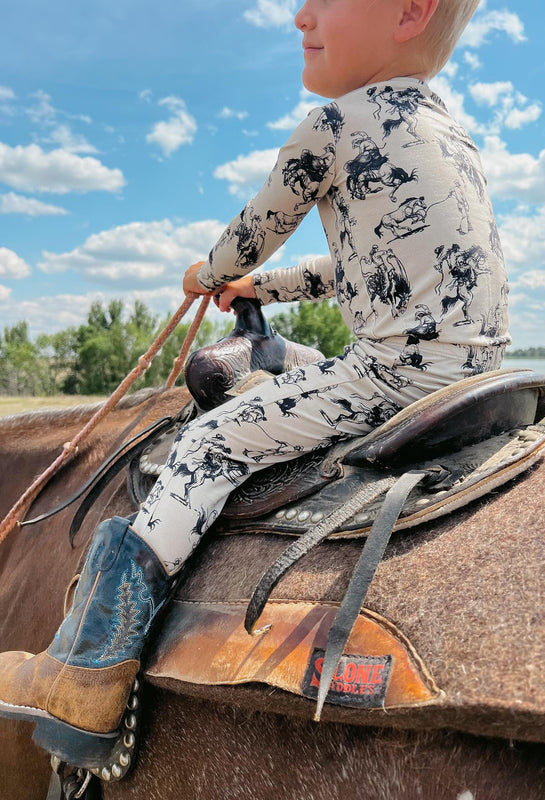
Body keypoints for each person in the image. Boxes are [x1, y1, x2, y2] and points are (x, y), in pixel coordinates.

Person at [0, 0, 510, 768]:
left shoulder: (333, 124)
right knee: (296, 363)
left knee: (208, 440)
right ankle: (265, 357)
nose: (302, 13)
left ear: (410, 11)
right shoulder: (450, 138)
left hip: (393, 376)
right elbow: (363, 267)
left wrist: (212, 274)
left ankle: (87, 669)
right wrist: (261, 293)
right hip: (472, 376)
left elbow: (254, 230)